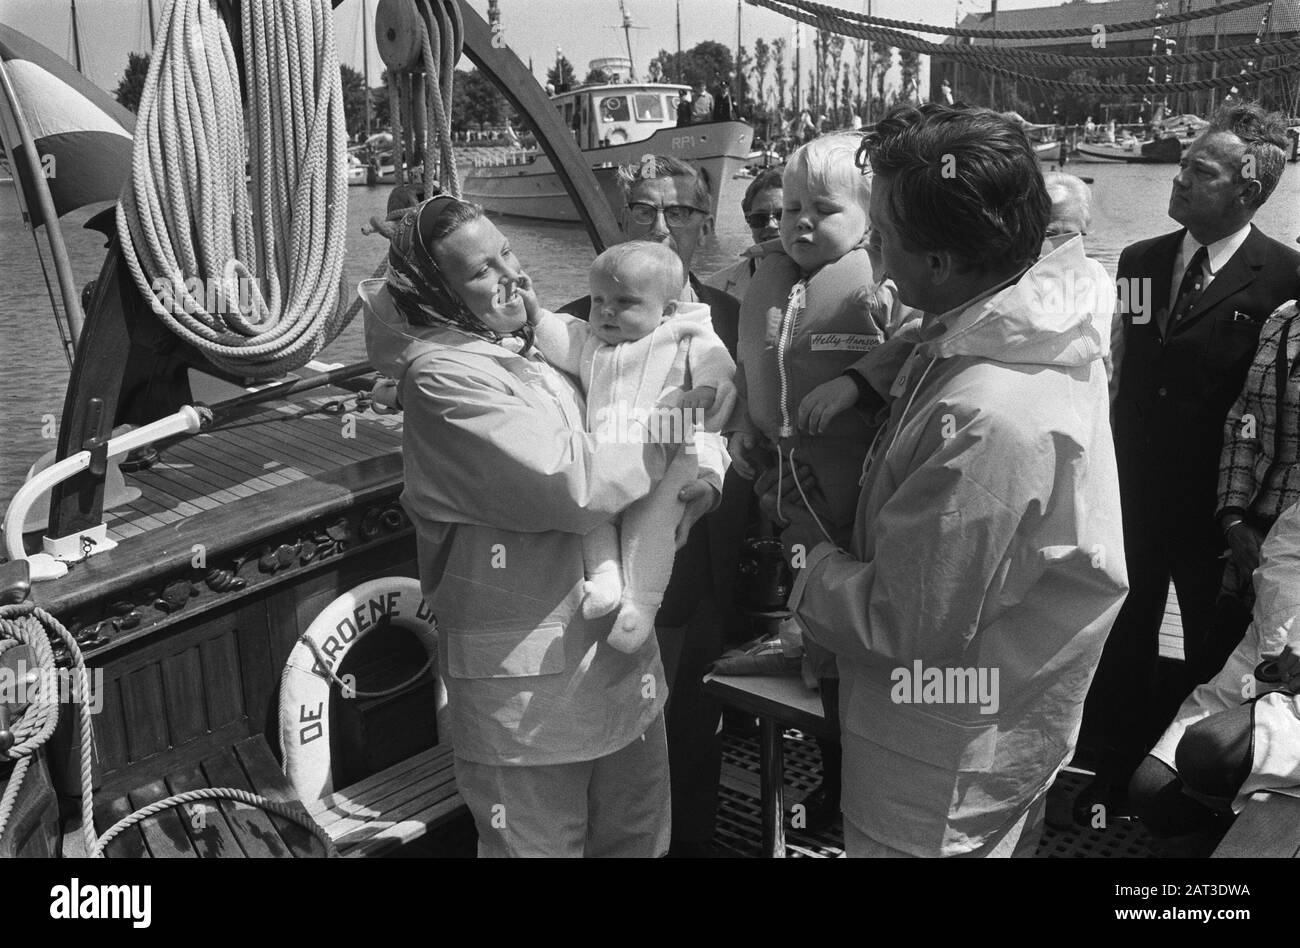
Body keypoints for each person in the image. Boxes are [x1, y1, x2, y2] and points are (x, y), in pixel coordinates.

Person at [766, 103, 1128, 857]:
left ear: (939, 263)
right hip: (1002, 710)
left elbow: (904, 626)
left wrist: (805, 562)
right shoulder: (1030, 325)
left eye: (885, 235)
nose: (874, 250)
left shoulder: (988, 415)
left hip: (936, 766)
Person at [360, 195, 726, 857]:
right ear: (433, 292)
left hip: (618, 667)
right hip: (526, 697)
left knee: (637, 842)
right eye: (479, 271)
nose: (509, 275)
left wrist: (705, 475)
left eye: (506, 252)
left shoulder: (533, 345)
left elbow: (642, 395)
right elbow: (578, 488)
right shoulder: (443, 379)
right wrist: (674, 425)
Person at [1080, 104, 1300, 818]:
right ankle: (1111, 767)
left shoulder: (1286, 279)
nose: (1178, 179)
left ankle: (1192, 790)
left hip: (1222, 514)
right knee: (1122, 630)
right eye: (1184, 166)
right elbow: (1129, 367)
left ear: (1250, 188)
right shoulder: (1141, 261)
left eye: (1199, 172)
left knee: (1213, 644)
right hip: (1135, 494)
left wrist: (1245, 513)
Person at [562, 156, 745, 857]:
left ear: (705, 224)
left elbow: (732, 428)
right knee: (621, 739)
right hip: (599, 564)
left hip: (697, 557)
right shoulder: (583, 323)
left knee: (692, 731)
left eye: (681, 213)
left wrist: (714, 481)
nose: (663, 227)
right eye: (643, 211)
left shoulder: (728, 316)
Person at [726, 132, 903, 832]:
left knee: (860, 638)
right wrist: (745, 416)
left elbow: (916, 348)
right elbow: (760, 359)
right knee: (815, 620)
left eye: (822, 210)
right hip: (790, 486)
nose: (798, 222)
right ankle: (832, 772)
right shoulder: (771, 277)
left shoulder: (884, 283)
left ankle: (869, 777)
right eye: (791, 207)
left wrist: (861, 383)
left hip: (857, 499)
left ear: (868, 219)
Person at [531, 241, 737, 650]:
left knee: (651, 532)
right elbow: (561, 340)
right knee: (593, 521)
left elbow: (717, 365)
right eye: (598, 300)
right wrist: (535, 315)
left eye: (624, 301)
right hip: (603, 458)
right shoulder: (593, 343)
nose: (607, 310)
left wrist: (709, 390)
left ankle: (640, 605)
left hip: (667, 461)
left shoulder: (685, 333)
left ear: (668, 310)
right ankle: (606, 579)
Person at [1130, 498, 1300, 856]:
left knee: (1208, 751)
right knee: (1151, 791)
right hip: (1272, 653)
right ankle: (1213, 833)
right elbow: (1286, 554)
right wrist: (1291, 643)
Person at [703, 167, 784, 302]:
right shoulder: (714, 289)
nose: (771, 225)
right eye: (759, 218)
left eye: (781, 215)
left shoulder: (824, 284)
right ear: (748, 220)